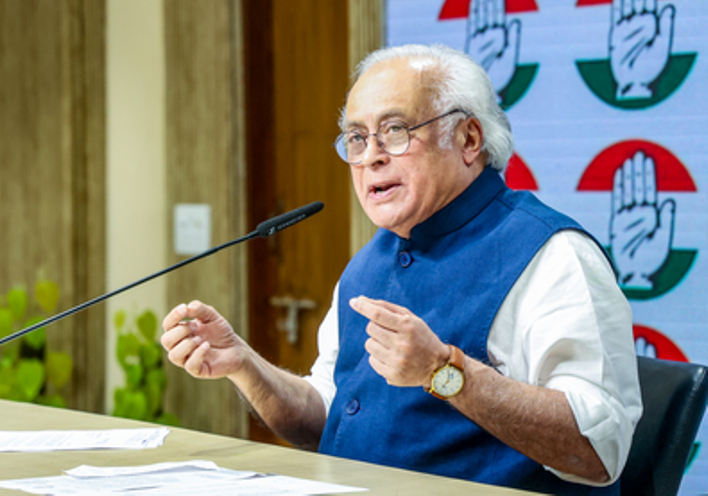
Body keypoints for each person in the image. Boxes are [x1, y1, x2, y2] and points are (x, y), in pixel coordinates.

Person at [161, 43, 642, 495]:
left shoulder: (554, 255)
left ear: (468, 138)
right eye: (356, 138)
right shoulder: (368, 263)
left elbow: (599, 451)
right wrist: (245, 366)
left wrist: (443, 371)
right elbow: (328, 418)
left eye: (395, 131)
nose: (371, 156)